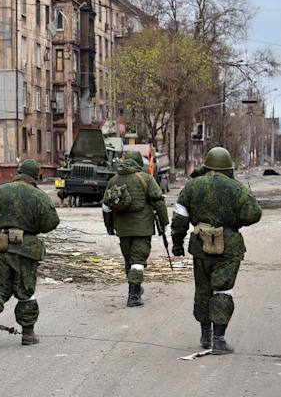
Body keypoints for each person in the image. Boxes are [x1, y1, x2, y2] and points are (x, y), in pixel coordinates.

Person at [171, 147, 261, 354]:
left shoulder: (192, 187)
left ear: (207, 165)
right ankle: (219, 340)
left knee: (203, 288)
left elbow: (180, 218)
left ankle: (205, 334)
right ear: (228, 166)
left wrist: (177, 243)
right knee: (222, 290)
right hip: (228, 246)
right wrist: (234, 221)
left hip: (200, 246)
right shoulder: (237, 188)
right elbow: (254, 214)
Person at [0, 159, 60, 346]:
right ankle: (28, 333)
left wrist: (2, 227)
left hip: (0, 246)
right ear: (36, 176)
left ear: (18, 172)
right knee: (26, 290)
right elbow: (52, 222)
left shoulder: (0, 191)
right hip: (26, 248)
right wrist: (33, 228)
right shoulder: (39, 196)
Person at [102, 151, 169, 307]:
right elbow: (158, 201)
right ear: (139, 162)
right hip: (142, 227)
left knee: (129, 260)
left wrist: (109, 226)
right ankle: (133, 296)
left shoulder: (114, 180)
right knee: (138, 261)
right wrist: (164, 223)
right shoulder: (145, 178)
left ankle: (135, 288)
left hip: (122, 228)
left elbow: (106, 206)